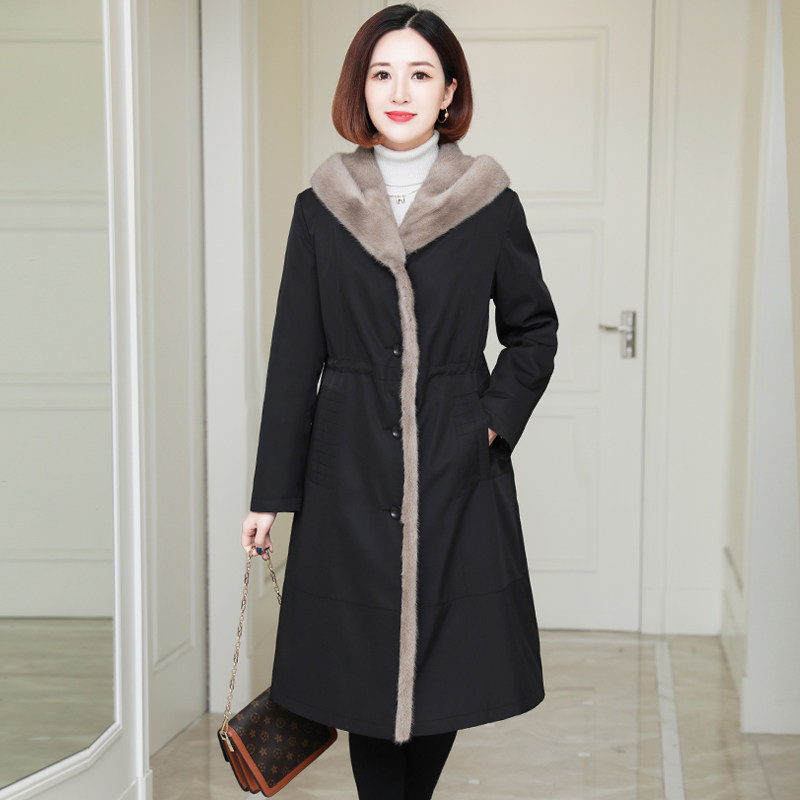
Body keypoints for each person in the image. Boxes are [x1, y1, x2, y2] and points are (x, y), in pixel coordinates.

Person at [241, 4, 558, 798]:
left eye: (420, 74)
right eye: (382, 73)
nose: (400, 91)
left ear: (449, 91)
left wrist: (489, 423)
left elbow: (534, 331)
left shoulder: (491, 203)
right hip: (346, 470)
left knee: (442, 662)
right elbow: (294, 357)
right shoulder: (321, 206)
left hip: (456, 466)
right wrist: (269, 495)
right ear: (361, 87)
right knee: (362, 674)